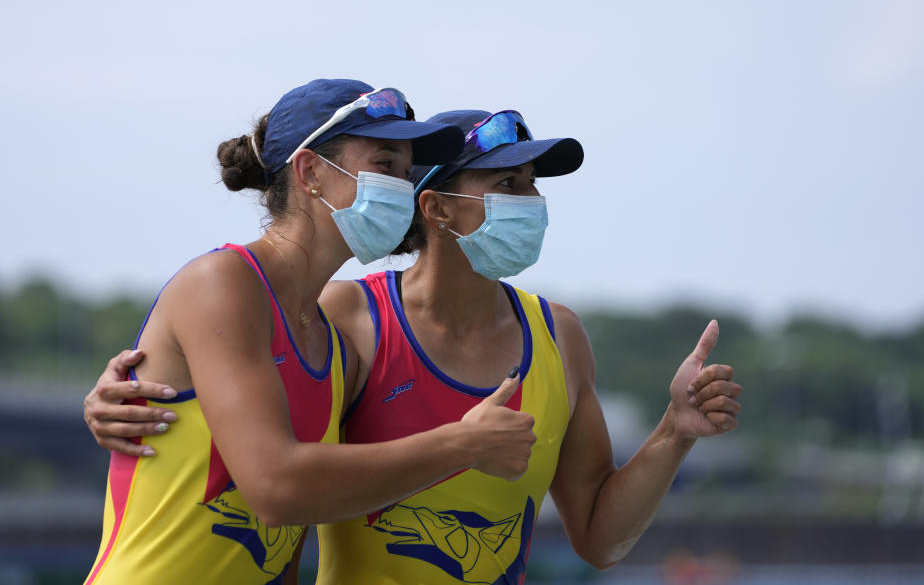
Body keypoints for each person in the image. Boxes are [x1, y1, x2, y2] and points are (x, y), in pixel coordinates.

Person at [85, 108, 743, 584]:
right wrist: (112, 394)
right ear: (437, 209)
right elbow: (238, 421)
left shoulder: (559, 337)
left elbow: (600, 540)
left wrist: (673, 432)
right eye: (508, 185)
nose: (534, 202)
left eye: (534, 183)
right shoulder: (342, 316)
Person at [83, 84, 539, 585]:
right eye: (386, 164)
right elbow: (277, 489)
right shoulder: (222, 282)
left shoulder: (332, 343)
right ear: (310, 172)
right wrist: (463, 446)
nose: (402, 188)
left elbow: (303, 520)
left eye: (405, 170)